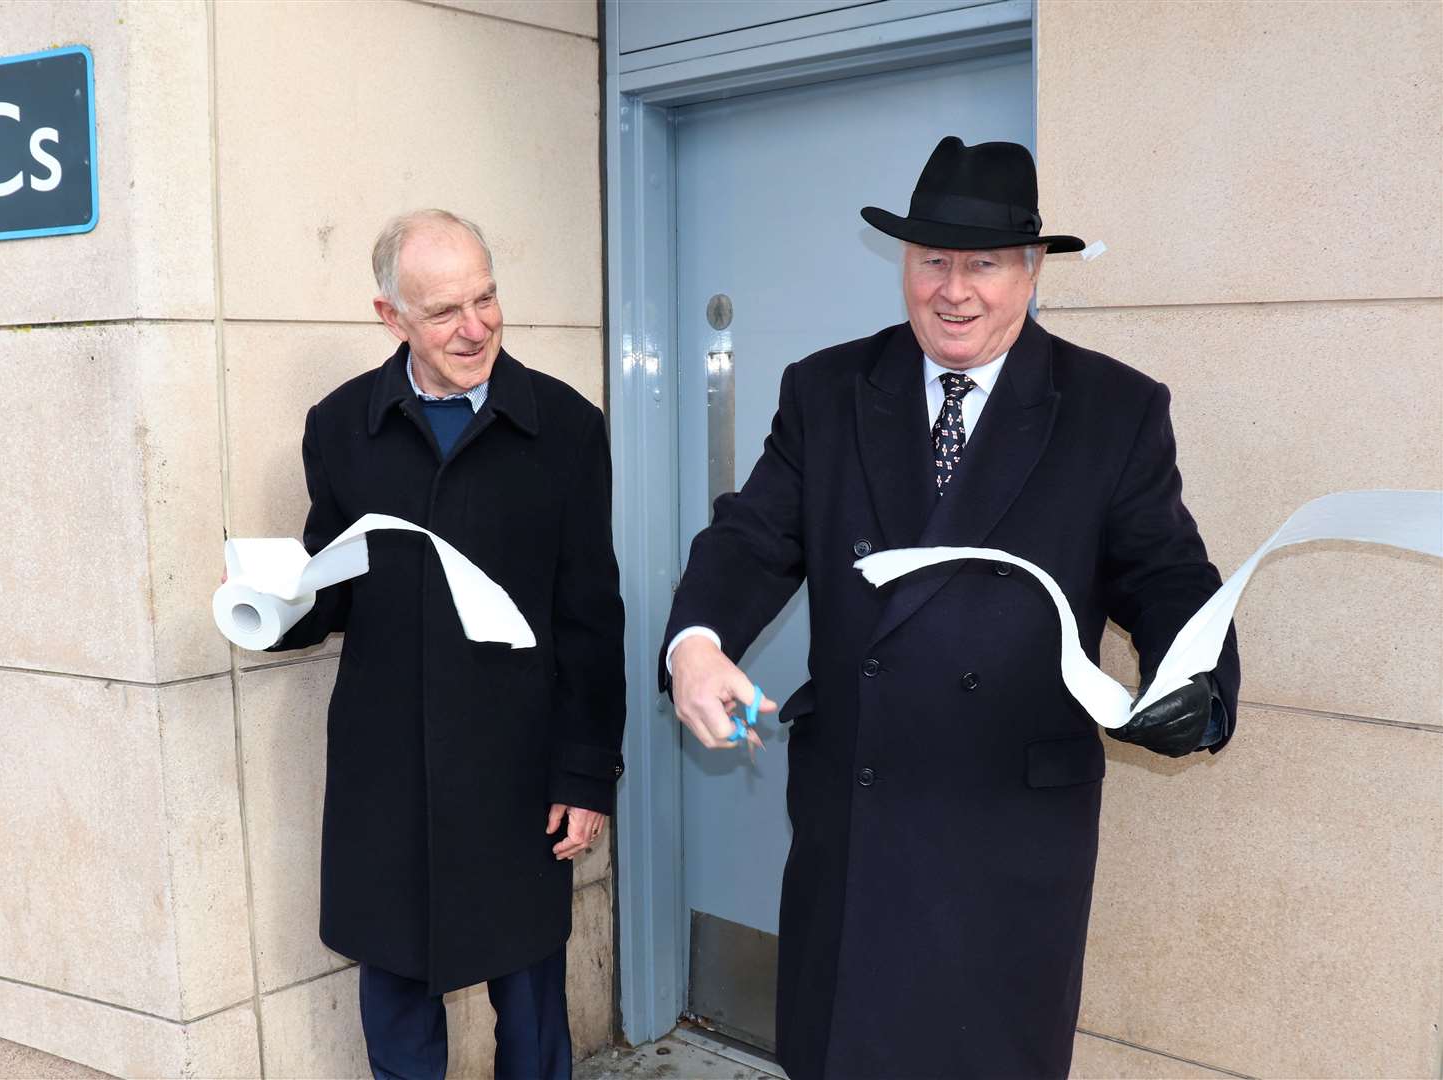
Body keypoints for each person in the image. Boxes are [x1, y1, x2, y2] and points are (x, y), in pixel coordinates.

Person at [661, 137, 1240, 1079]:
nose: (955, 290)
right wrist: (695, 640)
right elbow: (751, 538)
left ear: (1031, 269)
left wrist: (1192, 676)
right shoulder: (829, 389)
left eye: (984, 264)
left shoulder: (1113, 408)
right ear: (905, 263)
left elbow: (1165, 572)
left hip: (1009, 829)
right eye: (934, 261)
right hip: (859, 814)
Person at [269, 209, 626, 1080]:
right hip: (385, 774)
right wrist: (276, 606)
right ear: (391, 318)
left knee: (533, 1011)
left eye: (488, 298)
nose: (476, 327)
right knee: (394, 996)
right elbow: (336, 584)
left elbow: (591, 615)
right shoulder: (341, 425)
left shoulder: (567, 429)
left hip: (516, 773)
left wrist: (585, 775)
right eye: (444, 312)